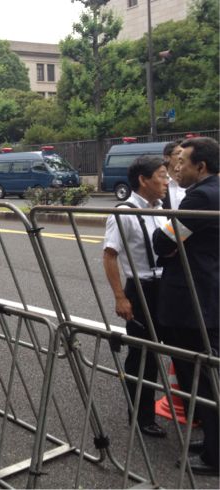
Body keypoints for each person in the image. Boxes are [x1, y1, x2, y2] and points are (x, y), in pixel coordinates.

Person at [153, 137, 219, 475]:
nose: (177, 168)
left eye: (183, 162)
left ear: (201, 166)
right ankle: (212, 442)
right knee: (205, 374)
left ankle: (215, 455)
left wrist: (169, 245)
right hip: (207, 295)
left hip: (194, 302)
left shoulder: (201, 197)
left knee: (201, 377)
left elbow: (162, 240)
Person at [102, 156, 169, 438]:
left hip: (166, 288)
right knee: (143, 356)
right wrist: (120, 297)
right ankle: (142, 416)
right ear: (143, 180)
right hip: (141, 290)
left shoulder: (162, 209)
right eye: (162, 175)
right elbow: (109, 255)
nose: (167, 181)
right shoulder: (124, 213)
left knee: (180, 350)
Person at [162, 139, 185, 210]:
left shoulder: (193, 181)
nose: (182, 157)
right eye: (179, 153)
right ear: (167, 158)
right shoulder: (159, 181)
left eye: (185, 154)